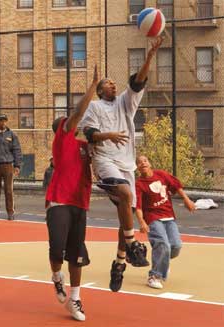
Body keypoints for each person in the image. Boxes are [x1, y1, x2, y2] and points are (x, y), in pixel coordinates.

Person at [80, 36, 164, 292]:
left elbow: (138, 81)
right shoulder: (94, 107)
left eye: (114, 82)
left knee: (124, 215)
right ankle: (132, 245)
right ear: (100, 90)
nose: (113, 84)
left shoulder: (125, 103)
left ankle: (119, 264)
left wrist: (150, 56)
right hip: (104, 160)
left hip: (126, 164)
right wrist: (109, 136)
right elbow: (90, 134)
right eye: (107, 83)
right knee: (126, 193)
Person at [45, 65, 98, 322]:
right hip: (59, 202)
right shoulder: (62, 141)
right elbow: (78, 114)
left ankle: (75, 299)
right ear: (63, 129)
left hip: (80, 203)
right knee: (57, 251)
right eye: (69, 124)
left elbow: (99, 143)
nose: (74, 125)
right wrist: (93, 87)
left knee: (76, 254)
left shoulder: (82, 146)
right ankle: (57, 278)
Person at [135, 155, 196, 289]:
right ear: (137, 167)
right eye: (139, 162)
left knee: (176, 246)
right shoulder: (139, 184)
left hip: (168, 216)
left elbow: (176, 185)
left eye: (145, 160)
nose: (142, 163)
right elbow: (138, 206)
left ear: (149, 163)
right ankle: (154, 276)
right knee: (162, 244)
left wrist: (187, 200)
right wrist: (142, 222)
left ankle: (163, 263)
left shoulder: (161, 174)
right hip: (152, 217)